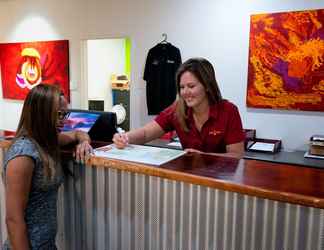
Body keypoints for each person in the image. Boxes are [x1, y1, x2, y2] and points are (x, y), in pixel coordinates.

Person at [2, 84, 93, 250]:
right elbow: (13, 220)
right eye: (59, 114)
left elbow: (77, 133)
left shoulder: (46, 140)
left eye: (65, 114)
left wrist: (84, 142)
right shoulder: (23, 154)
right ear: (41, 114)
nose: (63, 121)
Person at [113, 57, 245, 158]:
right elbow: (146, 133)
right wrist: (125, 137)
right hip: (190, 178)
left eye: (191, 86)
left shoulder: (229, 111)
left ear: (207, 86)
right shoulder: (177, 109)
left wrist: (204, 157)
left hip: (222, 183)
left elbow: (236, 156)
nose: (185, 92)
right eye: (182, 87)